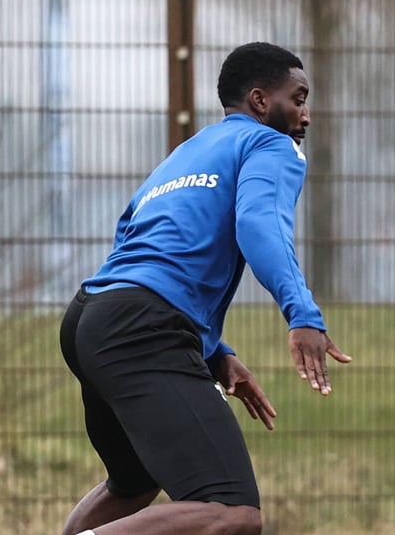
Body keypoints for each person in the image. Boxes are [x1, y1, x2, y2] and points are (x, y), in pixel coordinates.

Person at [59, 42, 352, 535]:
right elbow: (259, 226)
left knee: (133, 483)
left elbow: (132, 236)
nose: (305, 115)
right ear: (260, 101)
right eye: (298, 99)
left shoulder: (190, 151)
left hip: (90, 317)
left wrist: (214, 351)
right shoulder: (271, 145)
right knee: (231, 512)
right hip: (141, 328)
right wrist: (302, 314)